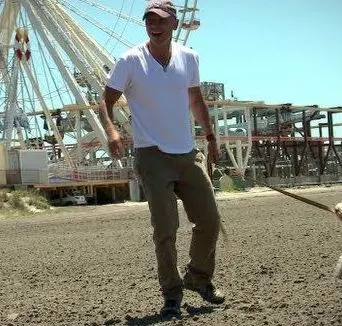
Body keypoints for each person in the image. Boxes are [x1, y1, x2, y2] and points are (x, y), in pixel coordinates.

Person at [98, 0, 224, 317]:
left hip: (187, 152)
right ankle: (172, 293)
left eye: (160, 20)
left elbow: (195, 99)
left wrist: (210, 137)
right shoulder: (129, 60)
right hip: (151, 154)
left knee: (210, 220)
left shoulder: (189, 58)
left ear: (174, 23)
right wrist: (112, 132)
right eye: (149, 20)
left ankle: (198, 278)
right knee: (166, 229)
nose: (154, 25)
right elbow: (106, 101)